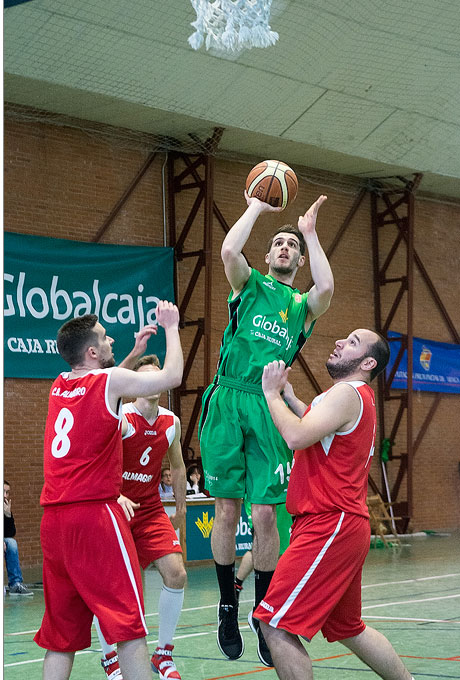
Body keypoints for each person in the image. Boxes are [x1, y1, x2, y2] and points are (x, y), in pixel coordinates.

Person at [198, 192, 333, 665]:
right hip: (229, 399)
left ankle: (264, 614)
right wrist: (257, 206)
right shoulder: (248, 284)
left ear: (296, 258)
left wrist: (311, 234)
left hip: (269, 405)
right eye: (277, 243)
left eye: (289, 245)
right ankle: (226, 605)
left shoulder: (302, 306)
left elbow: (328, 288)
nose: (282, 247)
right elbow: (230, 252)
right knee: (227, 509)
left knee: (268, 517)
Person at [253, 329, 415, 680]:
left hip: (330, 524)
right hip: (342, 523)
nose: (340, 342)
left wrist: (270, 394)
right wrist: (292, 400)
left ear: (368, 363)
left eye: (353, 342)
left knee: (273, 624)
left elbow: (296, 435)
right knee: (348, 627)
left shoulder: (346, 393)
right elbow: (316, 423)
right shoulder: (356, 397)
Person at [34, 301, 183, 680]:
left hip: (53, 520)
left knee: (60, 638)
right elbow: (172, 376)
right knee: (129, 628)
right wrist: (170, 326)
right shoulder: (109, 382)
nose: (110, 337)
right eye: (104, 336)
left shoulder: (59, 385)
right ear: (92, 351)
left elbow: (107, 382)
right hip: (95, 516)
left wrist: (133, 353)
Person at [94, 353, 187, 680]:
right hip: (114, 507)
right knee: (111, 587)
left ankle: (163, 654)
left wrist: (182, 508)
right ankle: (109, 657)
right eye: (145, 378)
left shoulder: (171, 422)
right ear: (134, 385)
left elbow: (177, 467)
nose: (152, 385)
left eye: (156, 377)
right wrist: (113, 493)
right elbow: (96, 459)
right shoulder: (120, 418)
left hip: (148, 509)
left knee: (176, 574)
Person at [4, 481, 33, 596]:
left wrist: (7, 515)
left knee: (11, 542)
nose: (5, 496)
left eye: (7, 492)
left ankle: (15, 584)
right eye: (3, 492)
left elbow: (11, 533)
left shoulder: (5, 507)